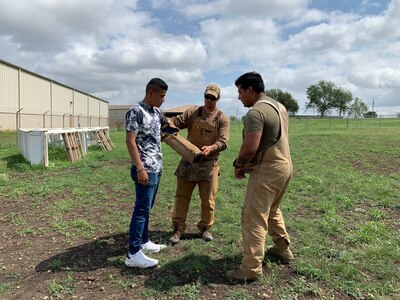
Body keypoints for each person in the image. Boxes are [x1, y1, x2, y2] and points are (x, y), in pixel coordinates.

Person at [227, 72, 294, 281]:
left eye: (240, 92)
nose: (239, 98)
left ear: (250, 89)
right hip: (285, 166)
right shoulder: (279, 106)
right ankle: (282, 248)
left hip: (268, 169)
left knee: (253, 217)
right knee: (272, 210)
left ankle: (250, 269)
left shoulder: (255, 113)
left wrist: (239, 164)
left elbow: (250, 147)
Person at [169, 83, 230, 244]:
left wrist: (212, 147)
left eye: (213, 98)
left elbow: (224, 141)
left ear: (218, 99)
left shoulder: (222, 119)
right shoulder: (192, 113)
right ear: (204, 96)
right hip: (188, 162)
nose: (209, 100)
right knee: (181, 197)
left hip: (209, 165)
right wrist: (166, 124)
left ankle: (204, 228)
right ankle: (178, 228)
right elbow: (175, 122)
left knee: (208, 200)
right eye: (207, 97)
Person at [125, 78, 168, 268]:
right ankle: (133, 253)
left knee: (147, 206)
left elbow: (169, 125)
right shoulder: (136, 111)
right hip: (145, 169)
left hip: (157, 166)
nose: (163, 100)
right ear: (150, 92)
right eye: (161, 96)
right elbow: (130, 140)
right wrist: (140, 167)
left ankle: (143, 241)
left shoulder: (157, 112)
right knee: (141, 208)